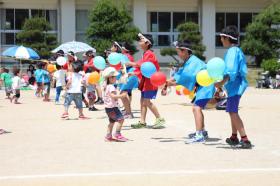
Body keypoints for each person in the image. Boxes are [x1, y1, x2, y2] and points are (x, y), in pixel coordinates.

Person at [162, 40, 215, 143]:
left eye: (179, 52)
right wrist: (166, 82)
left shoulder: (193, 62)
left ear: (185, 51)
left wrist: (171, 84)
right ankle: (202, 131)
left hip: (206, 86)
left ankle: (199, 134)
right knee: (197, 108)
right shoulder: (188, 61)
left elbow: (186, 78)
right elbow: (179, 75)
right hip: (203, 87)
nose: (178, 54)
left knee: (196, 108)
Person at [215, 25, 252, 149]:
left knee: (232, 112)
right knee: (232, 111)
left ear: (227, 38)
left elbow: (231, 71)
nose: (221, 40)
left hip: (236, 87)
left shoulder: (232, 51)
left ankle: (245, 139)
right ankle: (234, 136)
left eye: (222, 38)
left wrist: (220, 83)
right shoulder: (236, 50)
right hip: (235, 87)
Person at [131, 33, 165, 129]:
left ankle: (159, 118)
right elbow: (143, 67)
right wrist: (134, 73)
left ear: (147, 43)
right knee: (142, 102)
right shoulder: (146, 53)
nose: (139, 42)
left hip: (150, 82)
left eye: (141, 40)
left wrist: (132, 64)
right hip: (145, 82)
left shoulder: (149, 54)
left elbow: (145, 65)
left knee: (146, 102)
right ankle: (142, 121)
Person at [103, 67, 128, 142]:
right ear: (110, 78)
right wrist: (121, 96)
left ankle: (108, 136)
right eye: (115, 77)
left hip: (108, 108)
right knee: (121, 119)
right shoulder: (111, 87)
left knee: (111, 122)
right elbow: (113, 96)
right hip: (113, 107)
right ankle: (117, 134)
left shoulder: (105, 86)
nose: (116, 79)